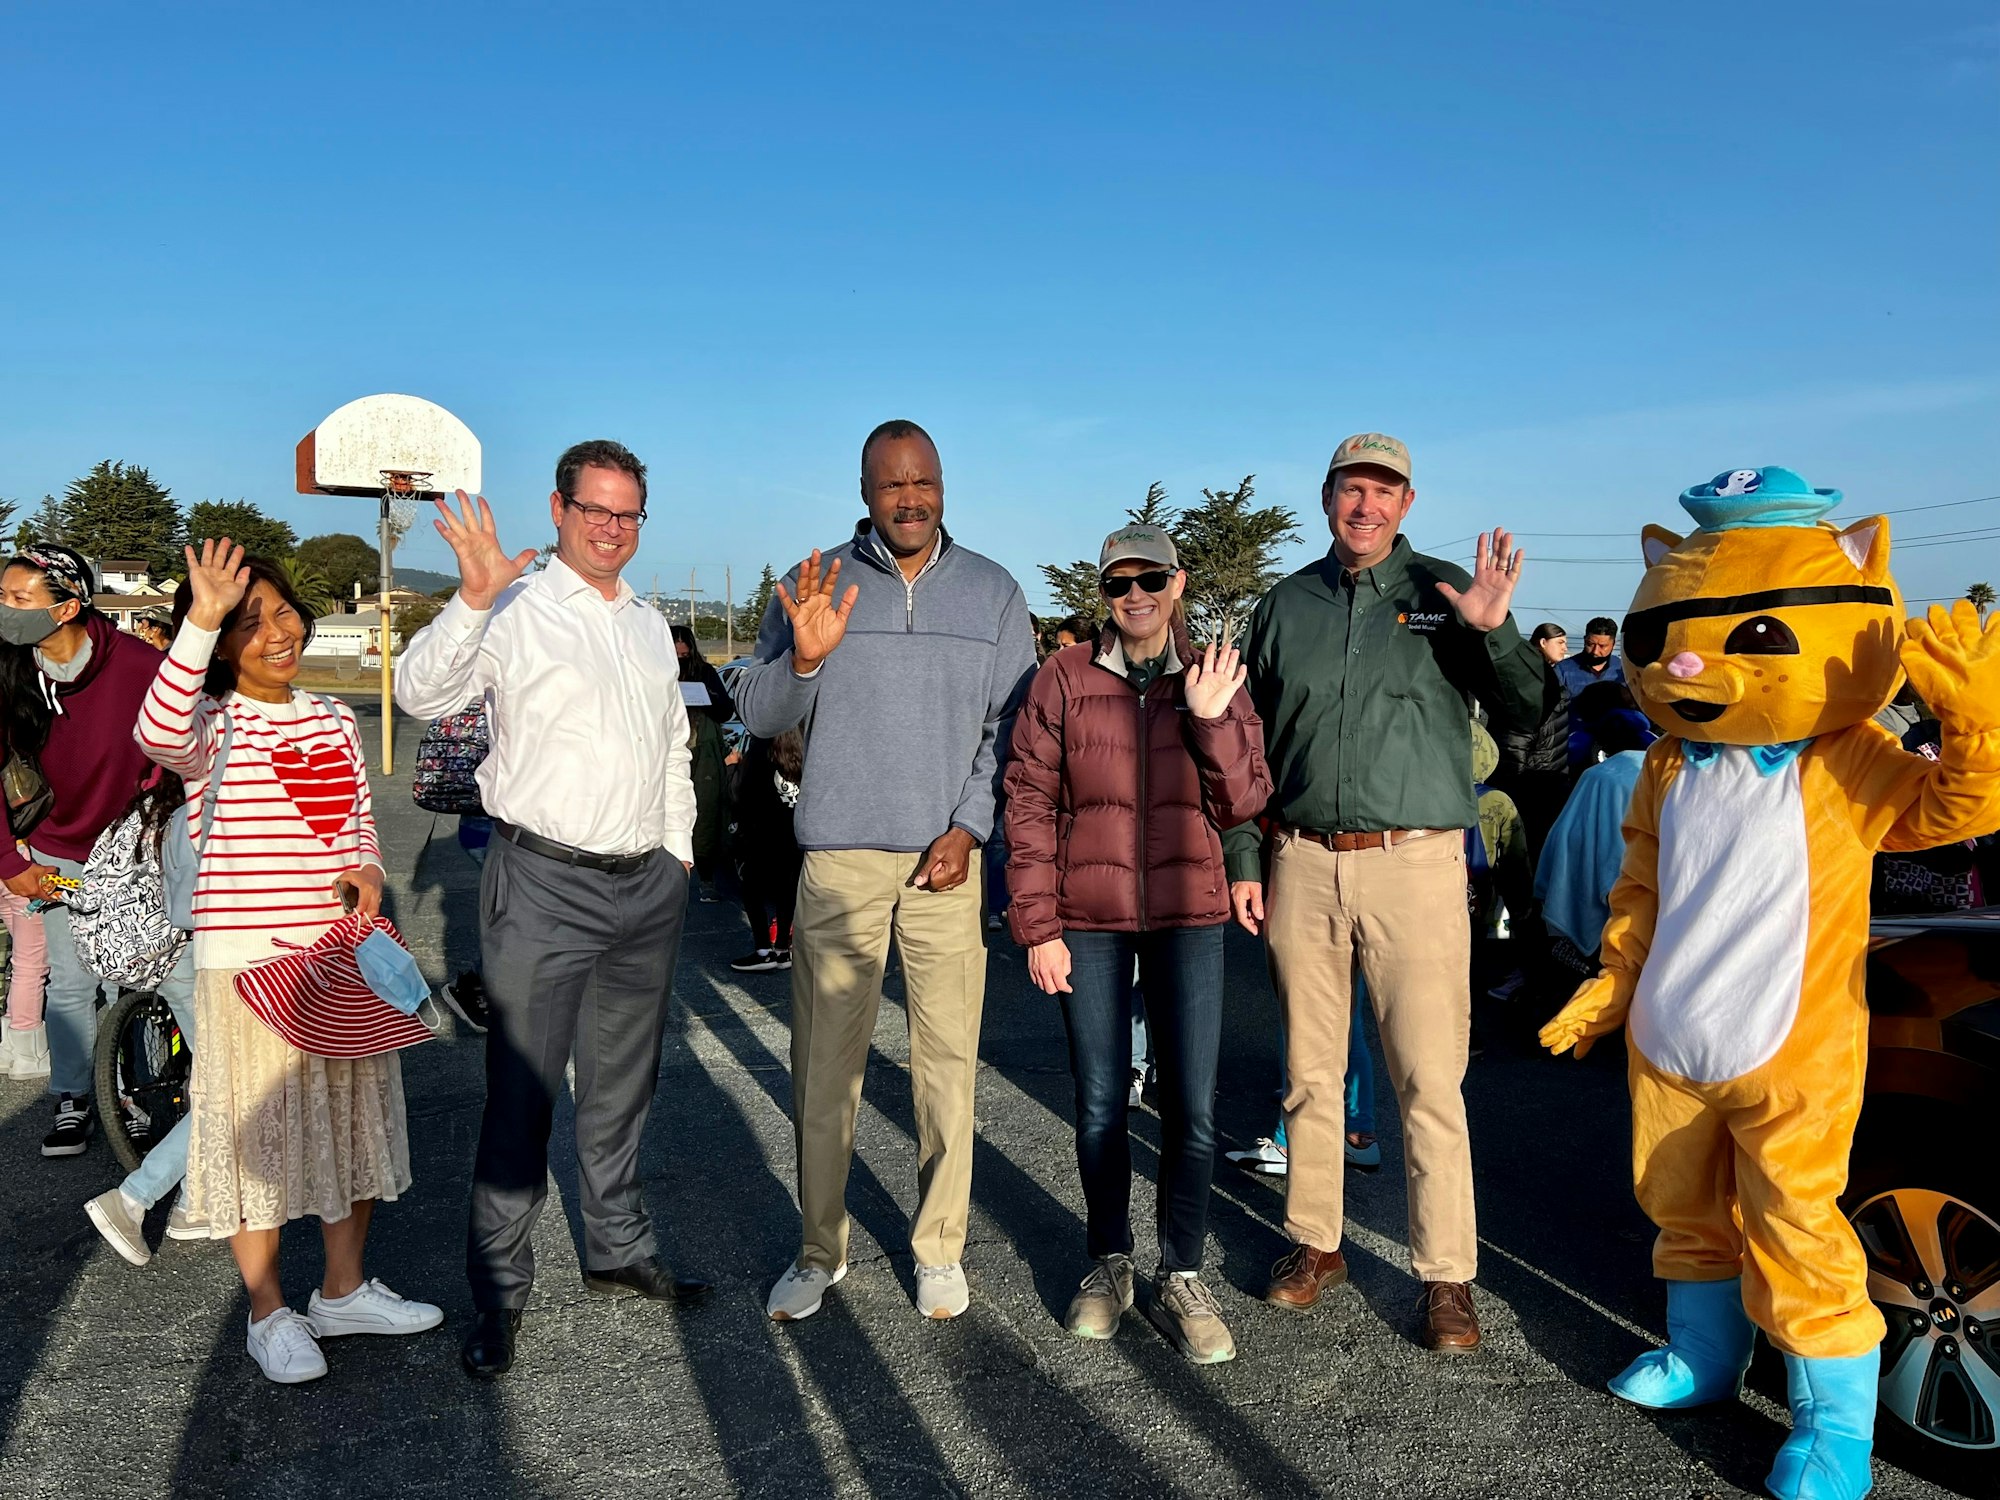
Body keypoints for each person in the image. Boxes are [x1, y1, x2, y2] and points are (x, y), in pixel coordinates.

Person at [1224, 432, 1549, 1353]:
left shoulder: (1446, 594)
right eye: (1349, 489)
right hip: (1304, 860)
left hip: (1415, 863)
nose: (1364, 506)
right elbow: (1247, 747)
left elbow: (1529, 712)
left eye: (1383, 491)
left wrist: (1496, 633)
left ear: (1408, 502)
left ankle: (1446, 1275)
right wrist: (1246, 858)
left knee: (1427, 1078)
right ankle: (1313, 1243)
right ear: (1326, 497)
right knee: (1310, 1072)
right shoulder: (1286, 604)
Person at [397, 440, 709, 1380]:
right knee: (522, 1098)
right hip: (541, 883)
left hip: (642, 885)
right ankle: (498, 1293)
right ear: (559, 508)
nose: (613, 530)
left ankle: (616, 1248)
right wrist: (475, 595)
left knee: (622, 1087)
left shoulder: (652, 626)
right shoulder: (517, 609)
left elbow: (670, 752)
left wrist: (678, 857)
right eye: (596, 511)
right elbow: (421, 693)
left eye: (628, 515)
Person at [735, 418, 1037, 1323]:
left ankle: (940, 1247)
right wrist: (810, 655)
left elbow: (1014, 731)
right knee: (826, 1069)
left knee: (946, 1067)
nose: (910, 499)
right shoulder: (811, 583)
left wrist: (971, 827)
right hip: (838, 864)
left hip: (947, 864)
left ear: (944, 485)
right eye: (891, 484)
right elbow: (755, 706)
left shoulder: (992, 592)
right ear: (865, 492)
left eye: (924, 482)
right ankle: (818, 1246)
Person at [136, 540, 440, 1385]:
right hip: (247, 968)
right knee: (258, 1145)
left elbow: (353, 818)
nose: (277, 633)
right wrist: (200, 617)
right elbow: (155, 730)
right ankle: (268, 1313)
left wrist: (370, 866)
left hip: (337, 959)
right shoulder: (208, 725)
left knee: (352, 1131)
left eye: (284, 614)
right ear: (221, 644)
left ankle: (342, 1294)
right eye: (249, 624)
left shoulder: (335, 717)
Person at [1004, 522, 1273, 1363]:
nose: (1136, 598)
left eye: (1150, 581)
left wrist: (1211, 720)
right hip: (1087, 920)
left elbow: (1245, 798)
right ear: (1104, 595)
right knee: (1098, 1101)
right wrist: (1037, 926)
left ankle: (1182, 1271)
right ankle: (1110, 1259)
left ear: (1178, 583)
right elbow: (1028, 804)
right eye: (1119, 585)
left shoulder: (1214, 677)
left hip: (1190, 918)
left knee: (1192, 1109)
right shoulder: (1063, 676)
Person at [0, 546, 186, 1158]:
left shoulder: (139, 665)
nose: (5, 608)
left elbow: (182, 745)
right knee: (71, 981)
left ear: (68, 606)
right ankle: (72, 1095)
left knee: (135, 976)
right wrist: (12, 863)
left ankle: (134, 1090)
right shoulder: (10, 669)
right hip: (55, 850)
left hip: (134, 850)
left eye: (19, 599)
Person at [1490, 622, 1573, 857]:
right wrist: (1515, 782)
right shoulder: (1529, 676)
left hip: (1549, 777)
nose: (1565, 649)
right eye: (1560, 642)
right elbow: (1515, 739)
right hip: (1534, 782)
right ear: (1542, 642)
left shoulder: (1546, 673)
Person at [729, 726, 805, 973]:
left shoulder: (762, 750)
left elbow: (740, 793)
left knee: (751, 889)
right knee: (787, 891)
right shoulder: (803, 752)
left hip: (762, 833)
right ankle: (783, 947)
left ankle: (764, 949)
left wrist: (732, 767)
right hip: (794, 834)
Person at [673, 627, 734, 893]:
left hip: (705, 750)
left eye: (685, 653)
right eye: (676, 652)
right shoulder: (657, 671)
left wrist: (707, 696)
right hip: (669, 747)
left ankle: (707, 876)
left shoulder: (706, 673)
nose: (681, 656)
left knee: (707, 812)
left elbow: (725, 710)